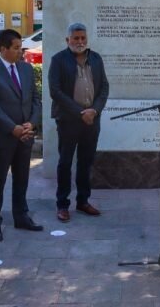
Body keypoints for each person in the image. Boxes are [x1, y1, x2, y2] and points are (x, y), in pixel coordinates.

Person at [0, 29, 42, 241]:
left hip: (25, 135)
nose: (20, 52)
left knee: (22, 178)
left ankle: (21, 216)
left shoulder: (26, 69)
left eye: (20, 47)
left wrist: (31, 123)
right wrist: (11, 128)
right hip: (1, 137)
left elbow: (35, 99)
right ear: (3, 49)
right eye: (16, 48)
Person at [49, 23, 109, 222]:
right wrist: (79, 112)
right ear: (68, 40)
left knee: (86, 162)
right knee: (65, 162)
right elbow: (55, 91)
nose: (80, 42)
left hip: (92, 120)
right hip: (68, 121)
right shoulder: (58, 60)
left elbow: (104, 88)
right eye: (76, 38)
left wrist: (94, 110)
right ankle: (62, 204)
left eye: (83, 38)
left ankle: (83, 201)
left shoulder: (96, 58)